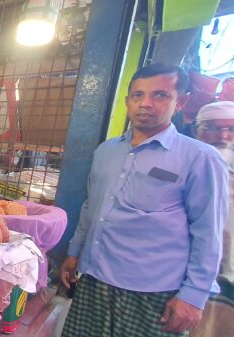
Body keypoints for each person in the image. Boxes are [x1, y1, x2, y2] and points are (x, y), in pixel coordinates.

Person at [59, 63, 229, 337]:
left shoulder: (201, 159)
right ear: (127, 101)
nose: (146, 104)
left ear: (181, 102)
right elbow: (91, 208)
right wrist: (74, 253)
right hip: (94, 279)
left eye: (160, 95)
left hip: (153, 293)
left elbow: (208, 234)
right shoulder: (106, 152)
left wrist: (193, 296)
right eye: (138, 95)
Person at [190, 101, 234, 337]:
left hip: (228, 272)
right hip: (184, 272)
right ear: (197, 130)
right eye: (212, 128)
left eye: (231, 129)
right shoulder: (185, 164)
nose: (223, 136)